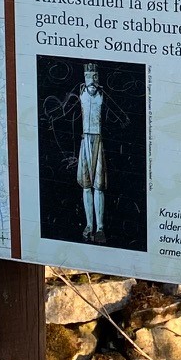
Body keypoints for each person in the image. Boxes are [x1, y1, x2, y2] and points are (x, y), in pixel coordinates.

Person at [77, 62, 106, 241]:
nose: (92, 81)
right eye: (89, 77)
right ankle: (89, 224)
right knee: (87, 186)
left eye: (95, 77)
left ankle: (100, 227)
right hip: (85, 139)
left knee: (99, 186)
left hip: (98, 140)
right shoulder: (82, 94)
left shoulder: (102, 95)